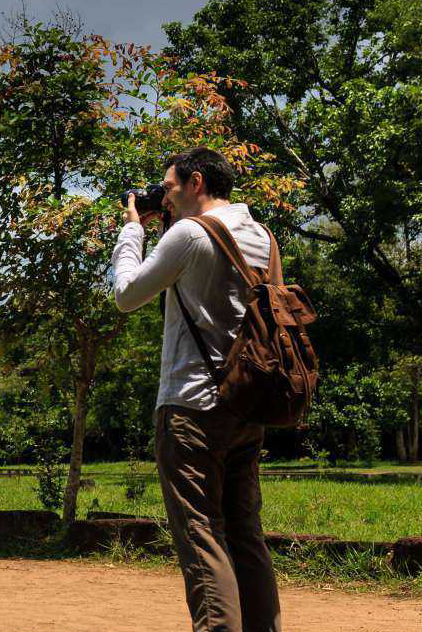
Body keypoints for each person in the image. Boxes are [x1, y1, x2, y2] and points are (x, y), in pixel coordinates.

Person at [111, 147, 281, 632]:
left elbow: (127, 295)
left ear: (196, 182)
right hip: (246, 406)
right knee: (247, 535)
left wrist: (132, 230)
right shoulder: (262, 237)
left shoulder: (190, 234)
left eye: (168, 187)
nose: (163, 195)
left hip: (191, 411)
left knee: (202, 535)